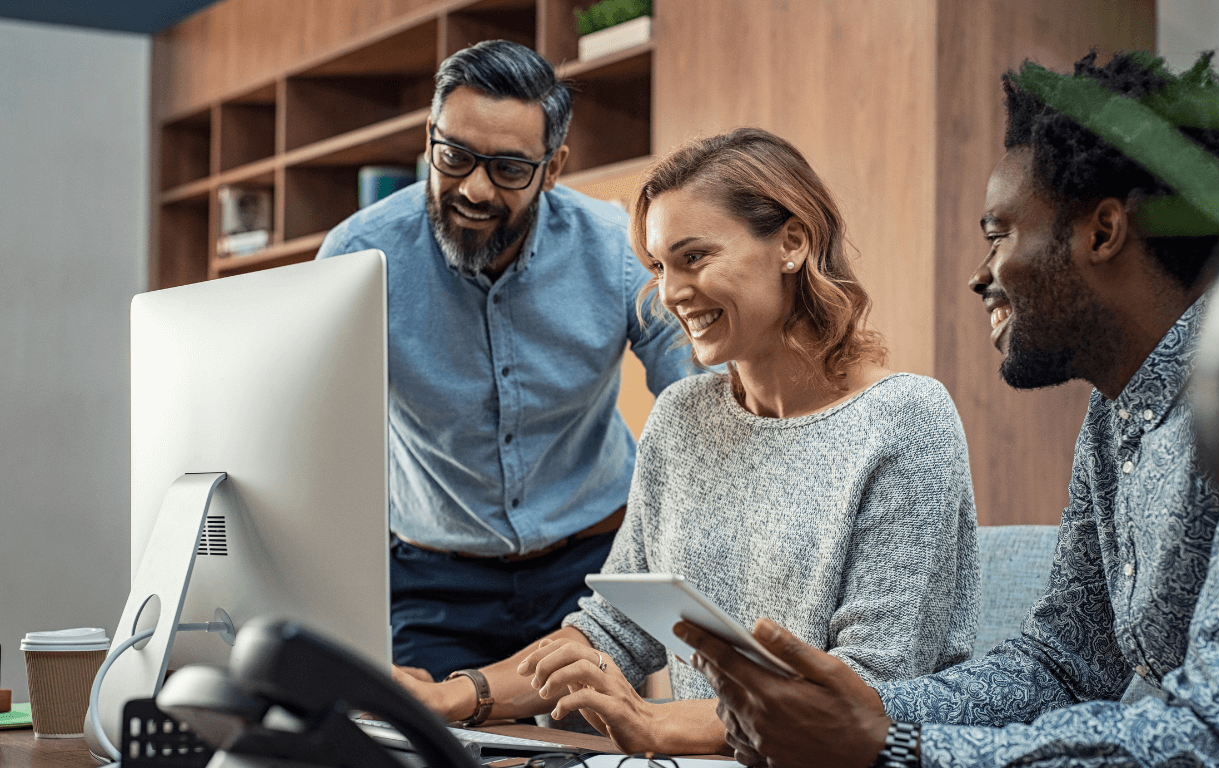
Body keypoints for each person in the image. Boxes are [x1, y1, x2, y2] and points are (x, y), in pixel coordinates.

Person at [678, 51, 1219, 766]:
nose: (980, 276)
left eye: (998, 234)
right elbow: (1064, 665)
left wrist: (894, 747)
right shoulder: (1114, 418)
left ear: (1102, 232)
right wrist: (856, 708)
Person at [392, 127, 980, 756]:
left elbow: (867, 691)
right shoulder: (680, 417)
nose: (670, 294)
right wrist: (458, 695)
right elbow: (611, 631)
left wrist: (659, 722)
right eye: (659, 267)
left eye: (694, 257)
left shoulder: (908, 419)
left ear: (792, 243)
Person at [315, 39, 696, 681]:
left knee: (590, 747)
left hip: (593, 571)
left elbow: (698, 397)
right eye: (455, 156)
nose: (473, 188)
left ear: (553, 168)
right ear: (429, 136)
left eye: (510, 169)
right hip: (434, 583)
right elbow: (314, 432)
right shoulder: (358, 258)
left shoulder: (613, 250)